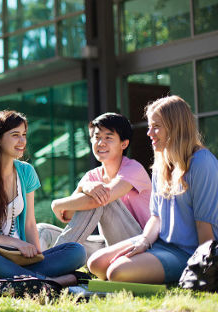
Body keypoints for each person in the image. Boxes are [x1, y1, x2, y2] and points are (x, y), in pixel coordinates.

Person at [88, 95, 218, 284]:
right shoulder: (160, 165)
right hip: (159, 243)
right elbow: (156, 217)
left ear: (176, 127)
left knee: (117, 273)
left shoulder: (202, 163)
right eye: (149, 126)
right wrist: (144, 241)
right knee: (96, 264)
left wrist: (203, 268)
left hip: (189, 252)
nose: (149, 133)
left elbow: (204, 226)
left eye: (156, 126)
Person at [0, 110, 86, 289]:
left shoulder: (26, 172)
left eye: (24, 135)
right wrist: (18, 243)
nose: (22, 141)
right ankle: (50, 282)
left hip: (19, 259)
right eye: (15, 135)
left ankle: (7, 280)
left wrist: (36, 255)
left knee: (76, 251)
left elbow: (29, 223)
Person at [37, 113, 151, 257]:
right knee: (43, 231)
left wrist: (56, 204)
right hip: (108, 244)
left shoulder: (134, 169)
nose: (101, 143)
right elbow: (68, 213)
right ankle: (32, 270)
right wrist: (84, 187)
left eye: (108, 137)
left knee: (101, 198)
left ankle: (55, 260)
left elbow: (94, 200)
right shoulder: (92, 176)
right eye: (97, 137)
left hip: (140, 244)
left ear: (124, 143)